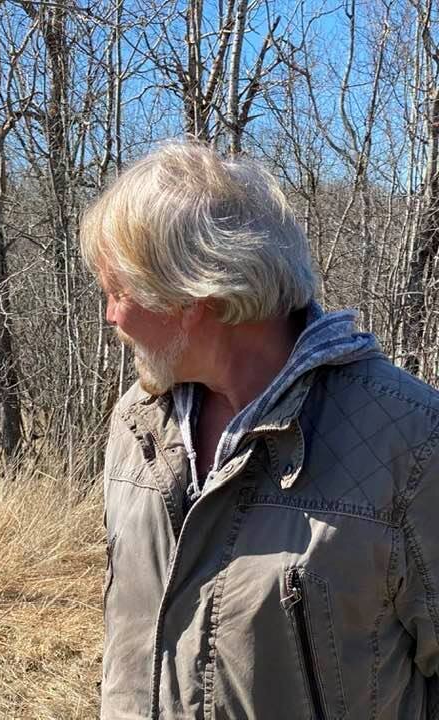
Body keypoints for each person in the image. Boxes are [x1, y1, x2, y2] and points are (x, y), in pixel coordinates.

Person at [80, 140, 439, 719]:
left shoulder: (415, 445)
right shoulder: (136, 423)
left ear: (196, 295)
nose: (111, 316)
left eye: (119, 291)